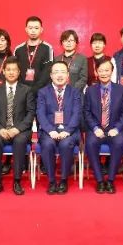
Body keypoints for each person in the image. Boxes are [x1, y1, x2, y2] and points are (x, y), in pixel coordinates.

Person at [0, 57, 35, 196]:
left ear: (19, 72)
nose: (11, 72)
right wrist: (0, 129)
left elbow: (31, 113)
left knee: (19, 141)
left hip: (20, 130)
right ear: (3, 72)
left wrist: (17, 129)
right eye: (8, 70)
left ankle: (17, 180)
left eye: (14, 70)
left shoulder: (27, 90)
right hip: (0, 130)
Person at [82, 57, 123, 194]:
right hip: (97, 129)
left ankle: (111, 180)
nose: (104, 73)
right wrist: (95, 128)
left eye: (106, 70)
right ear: (96, 72)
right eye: (101, 70)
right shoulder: (90, 91)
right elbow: (86, 112)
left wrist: (117, 128)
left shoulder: (122, 90)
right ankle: (99, 180)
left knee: (119, 143)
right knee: (90, 143)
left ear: (112, 71)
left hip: (115, 129)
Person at [37, 61, 83, 194]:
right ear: (51, 75)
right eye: (56, 72)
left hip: (69, 131)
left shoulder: (75, 92)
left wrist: (67, 131)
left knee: (65, 144)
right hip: (49, 131)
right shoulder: (43, 92)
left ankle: (63, 179)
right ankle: (51, 181)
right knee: (48, 144)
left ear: (68, 75)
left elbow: (77, 114)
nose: (59, 75)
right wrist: (50, 130)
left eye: (63, 72)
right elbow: (40, 114)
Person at [15, 16, 55, 90]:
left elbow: (47, 71)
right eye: (30, 28)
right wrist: (22, 89)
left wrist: (35, 89)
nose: (33, 31)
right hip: (22, 90)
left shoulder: (48, 48)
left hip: (41, 90)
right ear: (26, 30)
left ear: (41, 30)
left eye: (36, 28)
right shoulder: (18, 49)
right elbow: (15, 70)